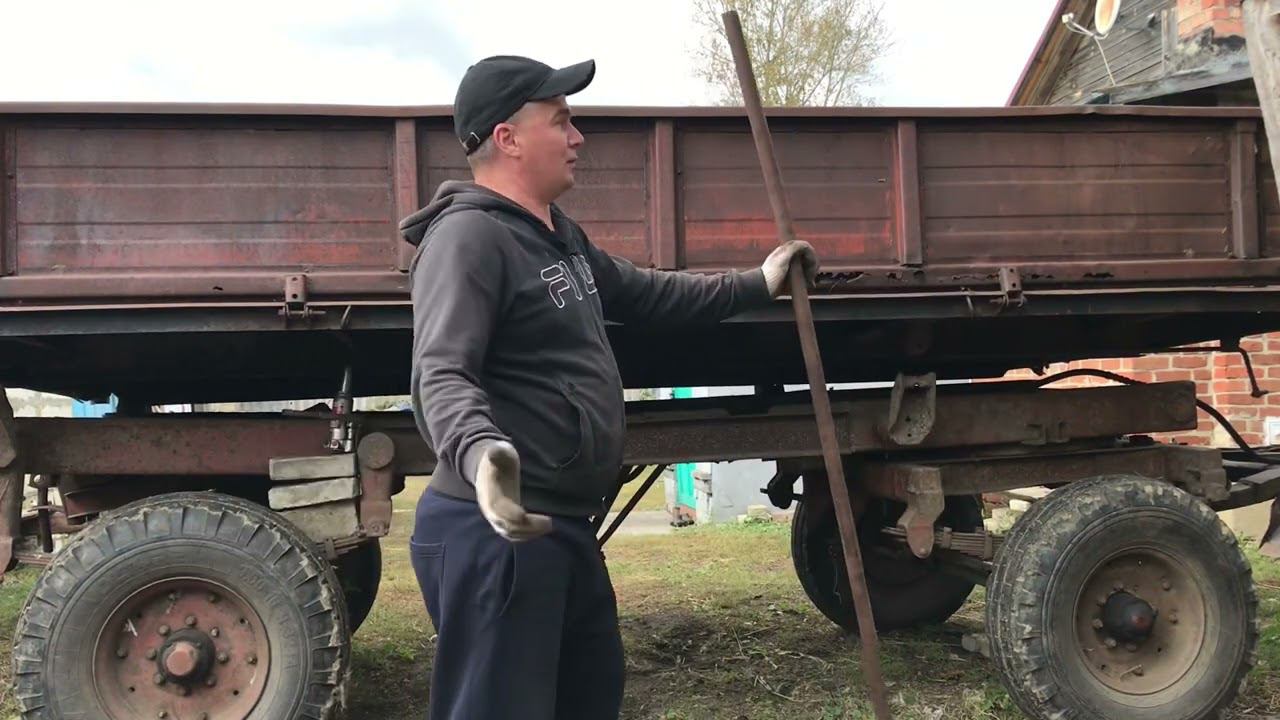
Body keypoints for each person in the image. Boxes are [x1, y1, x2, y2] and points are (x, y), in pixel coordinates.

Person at [399, 54, 818, 720]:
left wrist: (755, 282)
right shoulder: (468, 238)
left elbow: (648, 293)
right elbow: (440, 372)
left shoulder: (557, 239)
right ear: (507, 138)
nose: (577, 137)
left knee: (588, 698)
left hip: (560, 525)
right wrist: (483, 456)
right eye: (561, 120)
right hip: (497, 533)